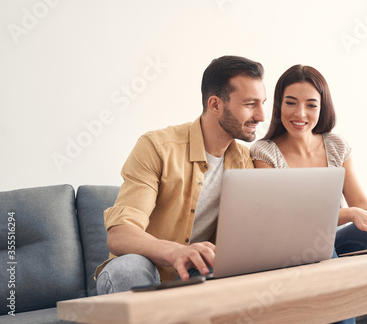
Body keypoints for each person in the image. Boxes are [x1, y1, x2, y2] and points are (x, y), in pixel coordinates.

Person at [95, 55, 267, 294]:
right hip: (148, 270)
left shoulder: (245, 160)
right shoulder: (157, 147)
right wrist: (175, 252)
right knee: (128, 269)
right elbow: (120, 234)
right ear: (215, 105)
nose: (261, 116)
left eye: (262, 103)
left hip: (199, 276)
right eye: (250, 105)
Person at [250, 64, 367, 324]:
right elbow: (287, 218)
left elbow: (360, 203)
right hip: (292, 250)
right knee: (320, 248)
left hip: (332, 242)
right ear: (279, 106)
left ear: (322, 108)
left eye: (311, 104)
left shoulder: (336, 145)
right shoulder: (264, 153)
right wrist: (350, 213)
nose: (300, 113)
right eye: (291, 103)